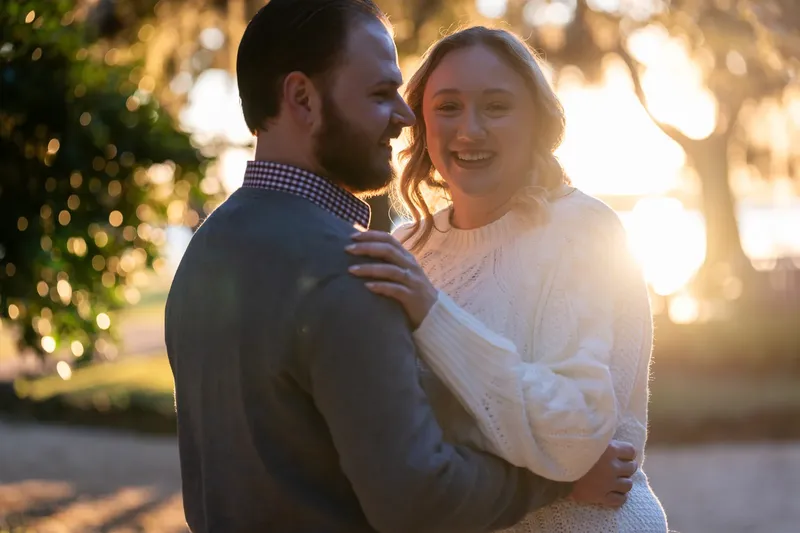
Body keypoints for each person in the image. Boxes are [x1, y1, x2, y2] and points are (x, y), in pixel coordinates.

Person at [165, 2, 638, 531]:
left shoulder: (203, 254)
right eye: (378, 93)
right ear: (302, 98)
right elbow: (420, 500)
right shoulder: (358, 268)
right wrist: (556, 482)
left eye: (498, 105)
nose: (405, 116)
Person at [347, 26, 669, 531]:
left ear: (537, 120)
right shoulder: (409, 250)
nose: (469, 130)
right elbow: (395, 436)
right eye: (448, 107)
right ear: (422, 123)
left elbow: (572, 437)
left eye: (496, 106)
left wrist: (433, 313)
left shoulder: (582, 231)